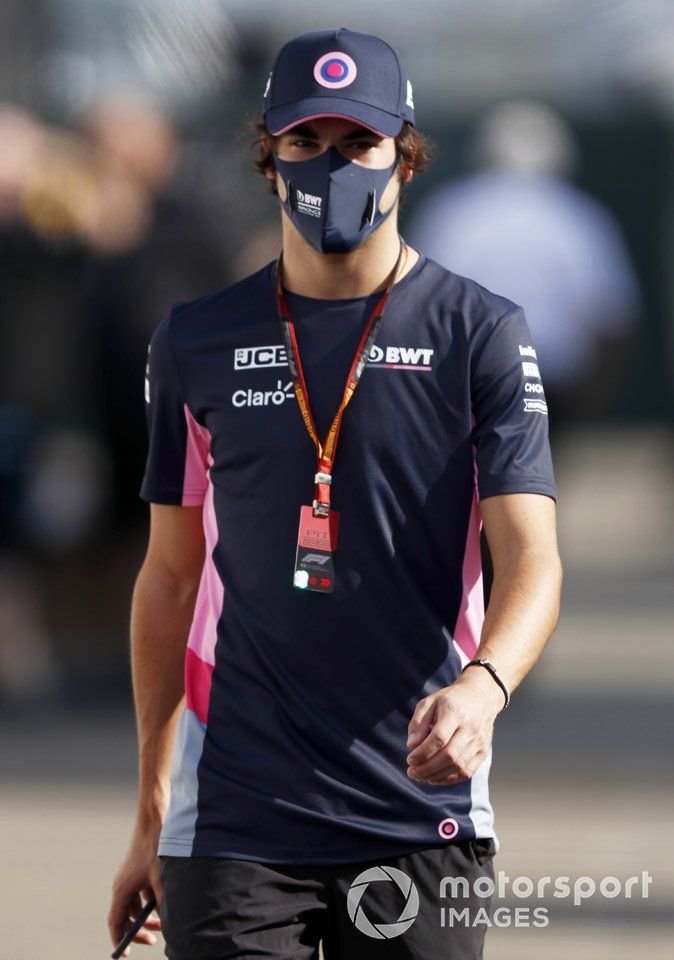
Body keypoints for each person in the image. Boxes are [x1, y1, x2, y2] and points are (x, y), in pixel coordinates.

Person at [108, 27, 563, 960]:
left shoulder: (478, 332)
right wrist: (152, 808)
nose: (332, 166)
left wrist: (485, 689)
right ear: (268, 160)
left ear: (405, 155)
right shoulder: (196, 341)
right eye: (306, 142)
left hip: (418, 807)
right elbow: (167, 580)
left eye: (358, 143)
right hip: (233, 811)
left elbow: (532, 558)